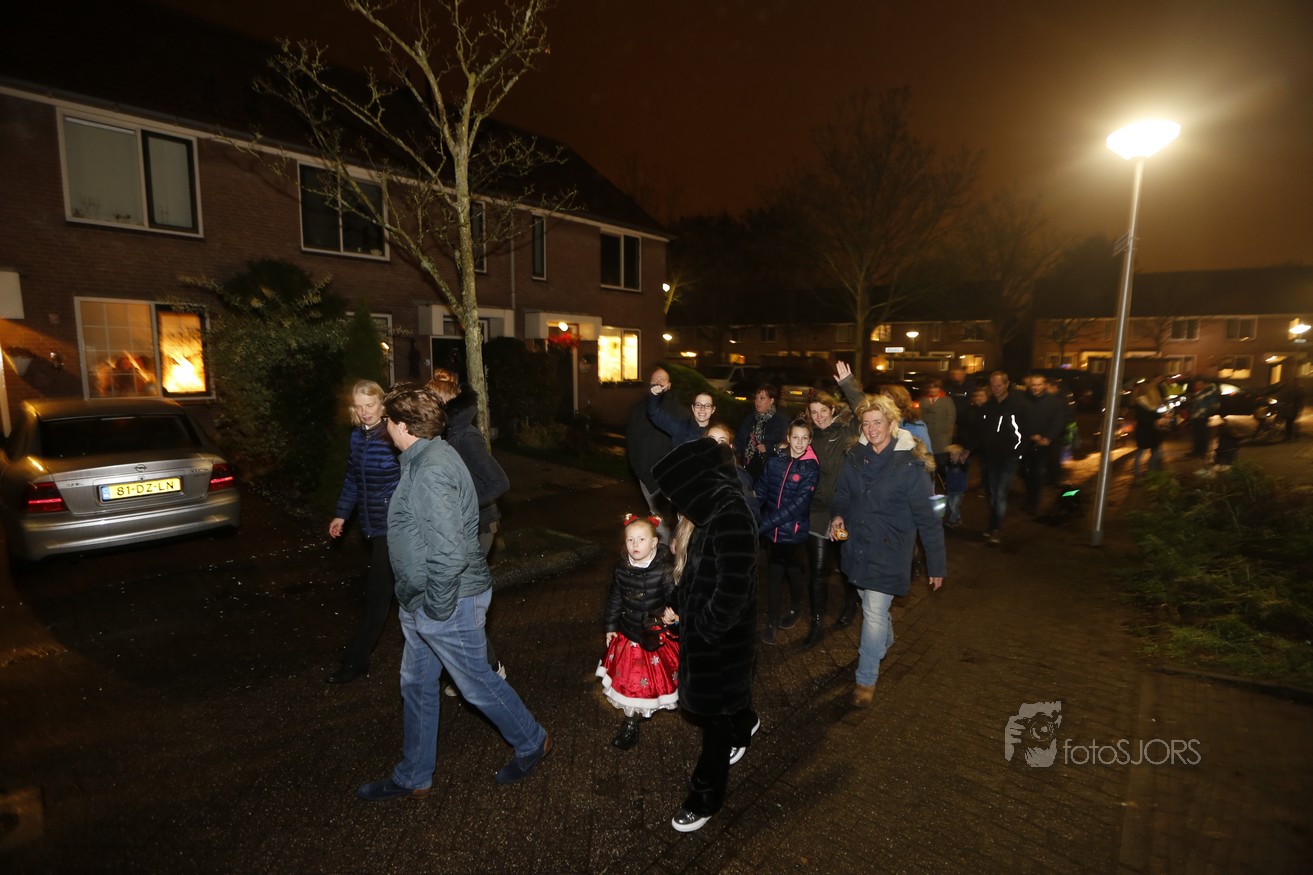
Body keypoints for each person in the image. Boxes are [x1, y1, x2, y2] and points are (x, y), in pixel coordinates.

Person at [357, 385, 550, 802]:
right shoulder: (422, 459)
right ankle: (414, 775)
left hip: (447, 600)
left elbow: (448, 551)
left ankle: (532, 740)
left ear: (403, 426)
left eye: (388, 421)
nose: (384, 427)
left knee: (476, 683)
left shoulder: (431, 469)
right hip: (423, 598)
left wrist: (436, 609)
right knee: (416, 684)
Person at [652, 438, 759, 833]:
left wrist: (704, 630)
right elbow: (699, 572)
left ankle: (704, 797)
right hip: (707, 637)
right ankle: (745, 721)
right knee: (728, 707)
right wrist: (678, 603)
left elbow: (732, 591)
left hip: (721, 645)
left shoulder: (732, 516)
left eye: (677, 493)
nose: (674, 502)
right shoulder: (711, 513)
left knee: (715, 721)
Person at [829, 394, 946, 708]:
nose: (871, 429)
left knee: (873, 613)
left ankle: (865, 679)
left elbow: (928, 520)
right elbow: (842, 495)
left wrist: (937, 565)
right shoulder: (855, 456)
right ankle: (884, 637)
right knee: (872, 609)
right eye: (866, 423)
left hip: (890, 551)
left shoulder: (910, 466)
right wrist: (838, 515)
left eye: (877, 422)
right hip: (857, 548)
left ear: (892, 424)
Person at [428, 369, 510, 691]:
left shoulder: (465, 436)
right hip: (459, 527)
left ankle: (491, 669)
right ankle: (463, 671)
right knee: (455, 603)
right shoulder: (445, 434)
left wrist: (460, 506)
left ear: (442, 404)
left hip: (479, 527)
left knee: (463, 604)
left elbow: (499, 482)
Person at [326, 380, 401, 685]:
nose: (364, 411)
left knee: (379, 593)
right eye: (359, 406)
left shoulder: (394, 434)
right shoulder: (358, 437)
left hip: (395, 526)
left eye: (370, 405)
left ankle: (357, 659)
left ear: (383, 404)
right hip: (372, 524)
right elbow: (353, 478)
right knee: (400, 592)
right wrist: (341, 514)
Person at [597, 514, 680, 751]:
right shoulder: (621, 568)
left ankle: (675, 701)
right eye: (630, 540)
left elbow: (674, 598)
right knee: (632, 683)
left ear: (654, 543)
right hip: (630, 635)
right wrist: (610, 627)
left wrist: (672, 614)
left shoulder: (665, 570)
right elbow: (615, 598)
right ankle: (631, 722)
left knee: (665, 676)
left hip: (656, 636)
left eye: (641, 539)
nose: (635, 545)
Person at [802, 388, 858, 648]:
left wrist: (848, 384)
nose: (819, 416)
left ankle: (850, 604)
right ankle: (816, 623)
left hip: (843, 515)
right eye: (814, 412)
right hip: (816, 514)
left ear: (833, 410)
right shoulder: (809, 437)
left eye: (823, 411)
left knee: (846, 564)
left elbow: (863, 409)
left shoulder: (847, 432)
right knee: (817, 571)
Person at [754, 420, 819, 646]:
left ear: (810, 441)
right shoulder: (775, 461)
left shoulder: (811, 468)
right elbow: (761, 490)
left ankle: (797, 606)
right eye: (795, 437)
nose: (799, 443)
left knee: (792, 571)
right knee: (774, 574)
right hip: (772, 532)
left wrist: (763, 524)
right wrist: (750, 513)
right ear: (788, 438)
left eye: (804, 438)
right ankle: (772, 622)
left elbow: (797, 506)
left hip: (792, 533)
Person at [966, 370, 1029, 546]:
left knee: (1001, 493)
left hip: (1009, 457)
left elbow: (1024, 432)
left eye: (999, 385)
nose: (996, 388)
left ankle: (995, 529)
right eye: (993, 385)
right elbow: (980, 432)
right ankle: (994, 524)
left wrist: (1018, 453)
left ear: (1007, 384)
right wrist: (968, 449)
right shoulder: (988, 407)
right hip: (990, 457)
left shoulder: (1017, 405)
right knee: (993, 493)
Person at [627, 365, 676, 541]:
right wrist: (639, 471)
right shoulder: (638, 410)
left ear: (669, 385)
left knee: (675, 519)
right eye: (655, 379)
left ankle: (677, 553)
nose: (658, 381)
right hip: (646, 478)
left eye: (662, 379)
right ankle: (662, 553)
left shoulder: (676, 411)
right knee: (657, 519)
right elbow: (631, 442)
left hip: (670, 478)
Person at [1021, 373, 1065, 516]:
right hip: (1025, 442)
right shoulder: (1023, 401)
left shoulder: (1054, 402)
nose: (1036, 387)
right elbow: (1019, 420)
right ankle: (1030, 498)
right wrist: (1029, 434)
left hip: (1043, 445)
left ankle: (1034, 502)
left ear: (1044, 385)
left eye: (1039, 385)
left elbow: (1058, 422)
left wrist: (1048, 438)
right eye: (1033, 385)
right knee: (1024, 472)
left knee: (1036, 472)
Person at [707, 422, 760, 525]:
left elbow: (753, 514)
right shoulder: (698, 470)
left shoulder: (738, 476)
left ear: (730, 447)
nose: (716, 444)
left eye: (722, 441)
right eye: (711, 439)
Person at [734, 383, 788, 481]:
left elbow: (786, 445)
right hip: (748, 466)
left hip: (770, 469)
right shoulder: (750, 418)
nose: (757, 401)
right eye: (756, 398)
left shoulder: (781, 420)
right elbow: (739, 440)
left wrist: (769, 448)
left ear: (771, 400)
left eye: (762, 398)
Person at [648, 380, 716, 445]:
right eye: (698, 405)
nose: (702, 409)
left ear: (713, 409)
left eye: (707, 405)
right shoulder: (680, 427)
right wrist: (655, 395)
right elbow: (654, 413)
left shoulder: (716, 433)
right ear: (693, 408)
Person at [1131, 376, 1169, 480]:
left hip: (1152, 432)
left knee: (1155, 452)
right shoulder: (1141, 404)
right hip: (1144, 431)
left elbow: (1155, 414)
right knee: (1141, 452)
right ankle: (1137, 472)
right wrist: (1155, 421)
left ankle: (1151, 471)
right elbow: (1142, 418)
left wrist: (1161, 418)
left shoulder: (1152, 404)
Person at [918, 377, 956, 475]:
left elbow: (951, 416)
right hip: (927, 434)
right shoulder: (923, 400)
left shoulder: (947, 400)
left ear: (940, 388)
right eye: (930, 388)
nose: (933, 390)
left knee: (941, 461)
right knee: (928, 462)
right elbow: (919, 416)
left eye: (935, 387)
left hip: (941, 436)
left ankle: (942, 480)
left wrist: (946, 430)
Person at [881, 383, 933, 454]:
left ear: (899, 400)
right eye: (882, 397)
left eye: (888, 397)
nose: (884, 400)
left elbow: (926, 454)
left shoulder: (915, 425)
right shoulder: (882, 423)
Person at [1187, 378, 1220, 459]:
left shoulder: (1209, 392)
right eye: (1196, 385)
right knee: (1197, 435)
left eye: (1199, 384)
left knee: (1202, 435)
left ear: (1204, 384)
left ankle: (1202, 452)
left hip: (1202, 416)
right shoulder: (1198, 393)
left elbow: (1212, 404)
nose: (1197, 386)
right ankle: (1196, 450)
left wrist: (1204, 412)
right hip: (1195, 416)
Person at [943, 443, 969, 528]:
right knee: (952, 506)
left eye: (956, 454)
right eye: (952, 454)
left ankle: (952, 521)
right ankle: (958, 518)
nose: (953, 456)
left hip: (959, 489)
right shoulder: (948, 463)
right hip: (950, 489)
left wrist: (962, 462)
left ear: (960, 455)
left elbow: (965, 468)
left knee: (954, 506)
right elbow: (945, 473)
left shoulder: (963, 465)